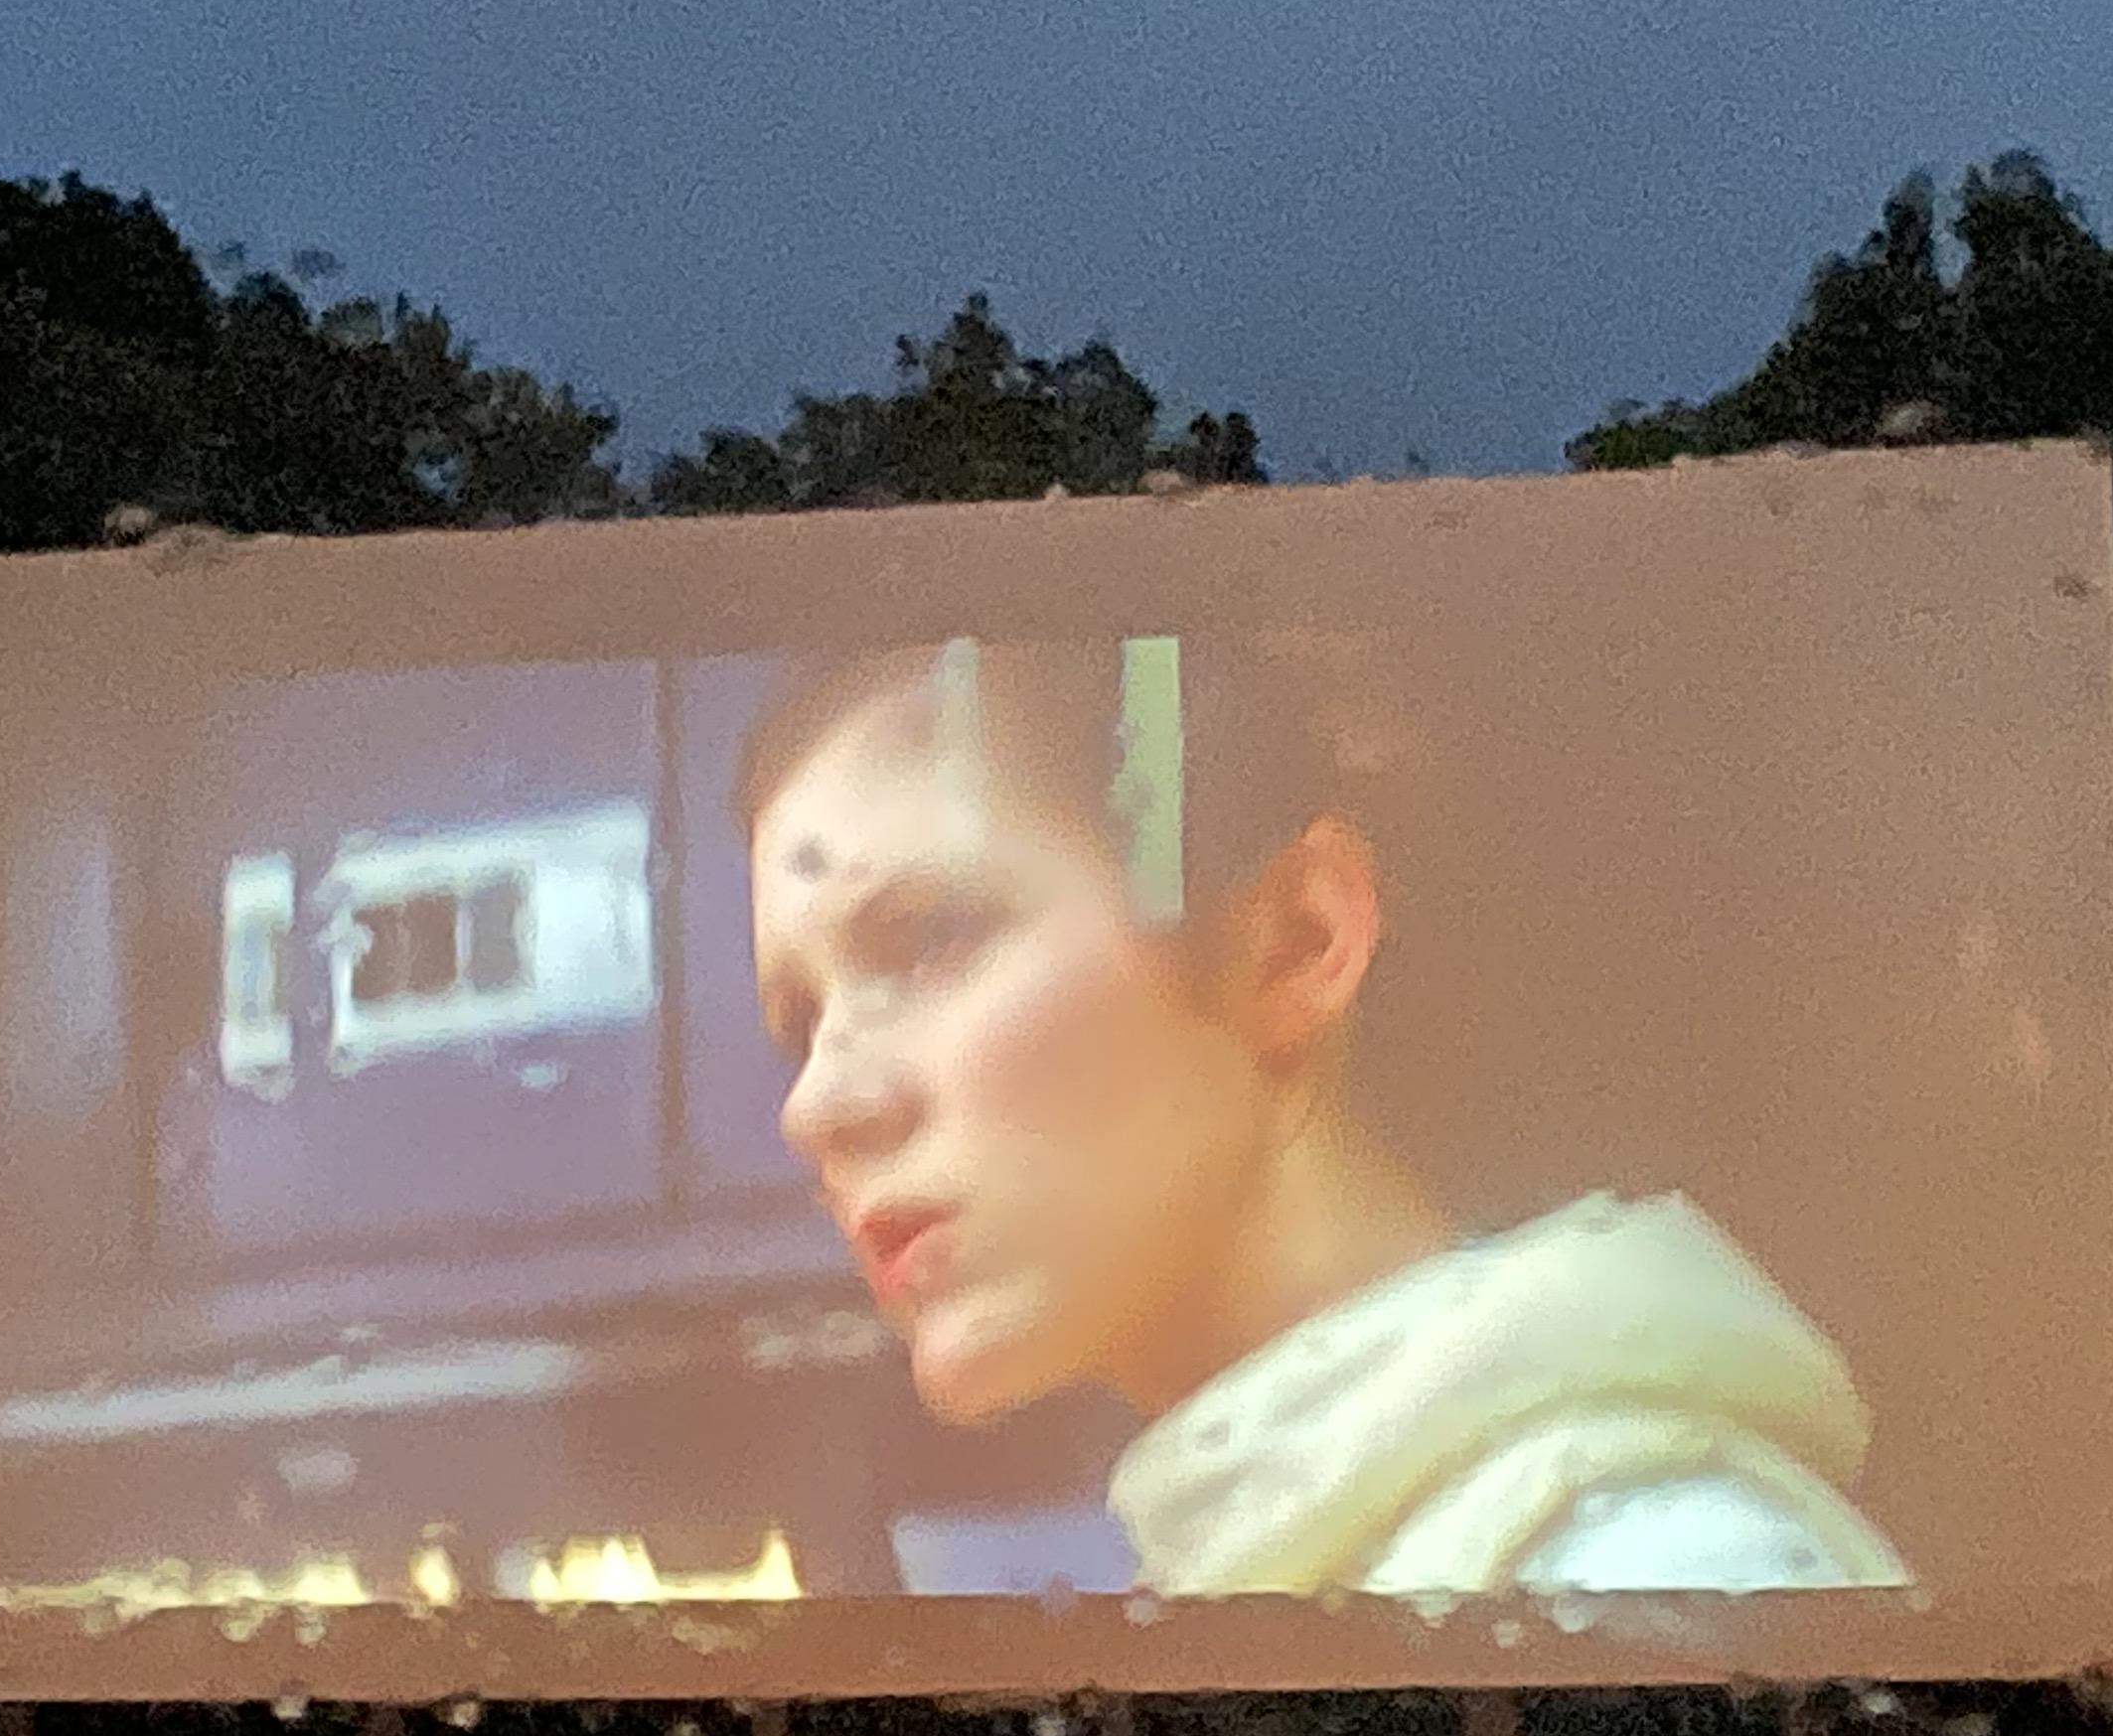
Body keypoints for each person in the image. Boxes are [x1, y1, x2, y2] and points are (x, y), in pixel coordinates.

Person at [739, 635, 1908, 1603]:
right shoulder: (1356, 1567)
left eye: (930, 936)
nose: (818, 1105)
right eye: (799, 1021)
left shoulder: (1656, 1584)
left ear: (1298, 937)